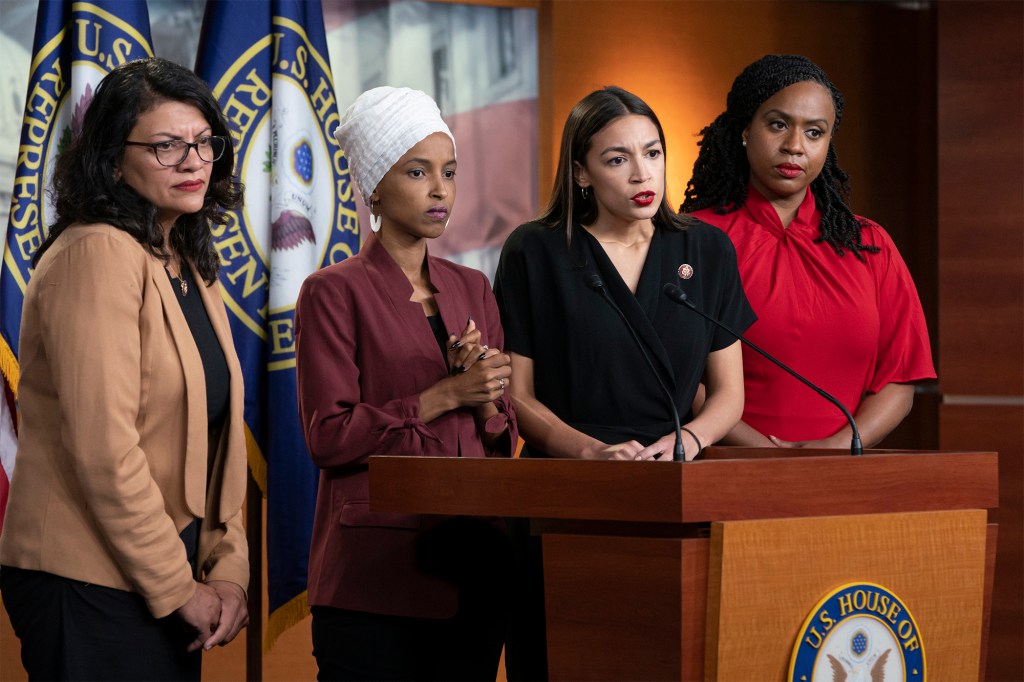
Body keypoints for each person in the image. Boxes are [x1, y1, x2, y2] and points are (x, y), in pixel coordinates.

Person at [0, 58, 249, 681]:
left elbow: (220, 439)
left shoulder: (181, 257)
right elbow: (105, 451)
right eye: (166, 146)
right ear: (113, 160)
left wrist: (230, 572)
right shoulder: (95, 253)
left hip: (161, 577)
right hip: (85, 582)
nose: (193, 161)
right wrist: (180, 587)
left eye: (203, 142)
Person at [493, 86, 754, 680]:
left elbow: (730, 395)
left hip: (674, 492)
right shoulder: (535, 250)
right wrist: (590, 452)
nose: (643, 173)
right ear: (581, 173)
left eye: (653, 152)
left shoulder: (705, 249)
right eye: (617, 159)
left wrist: (687, 441)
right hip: (563, 494)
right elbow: (517, 394)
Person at [295, 86, 516, 681]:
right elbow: (330, 437)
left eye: (449, 172)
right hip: (375, 580)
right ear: (373, 186)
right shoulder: (333, 291)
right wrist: (445, 394)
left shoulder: (472, 287)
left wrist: (488, 395)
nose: (440, 189)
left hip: (473, 566)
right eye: (417, 172)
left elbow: (502, 437)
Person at [682, 54, 936, 449]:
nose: (795, 146)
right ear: (745, 129)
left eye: (815, 132)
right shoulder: (694, 239)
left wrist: (834, 450)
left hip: (842, 477)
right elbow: (681, 374)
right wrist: (762, 454)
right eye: (778, 125)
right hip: (725, 470)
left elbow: (899, 379)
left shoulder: (870, 244)